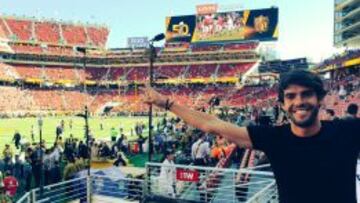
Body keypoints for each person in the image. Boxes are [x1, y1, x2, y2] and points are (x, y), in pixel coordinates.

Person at [142, 70, 360, 203]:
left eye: (306, 94)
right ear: (283, 105)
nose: (299, 102)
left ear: (320, 98)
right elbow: (211, 124)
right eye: (291, 96)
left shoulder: (347, 131)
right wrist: (166, 103)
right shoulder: (274, 138)